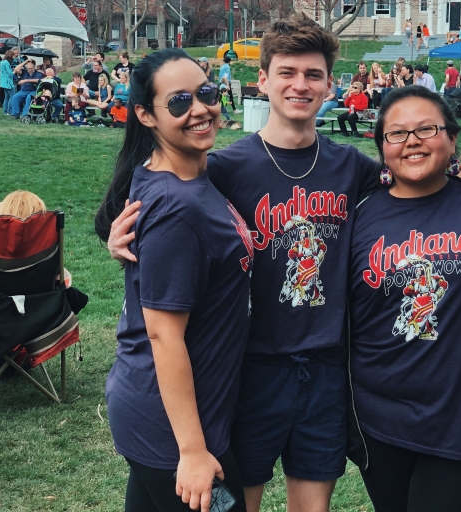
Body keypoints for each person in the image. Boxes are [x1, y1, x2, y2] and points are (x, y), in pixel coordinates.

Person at [101, 17, 380, 512]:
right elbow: (156, 204)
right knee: (237, 500)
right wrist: (115, 235)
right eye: (287, 72)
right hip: (249, 369)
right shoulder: (222, 168)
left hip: (325, 366)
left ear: (331, 84)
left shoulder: (352, 166)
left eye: (314, 74)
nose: (300, 85)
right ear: (264, 80)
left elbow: (416, 183)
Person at [96, 48, 253, 512]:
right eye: (180, 102)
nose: (201, 109)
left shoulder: (181, 178)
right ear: (145, 115)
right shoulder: (177, 207)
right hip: (173, 430)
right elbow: (164, 334)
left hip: (156, 413)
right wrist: (191, 452)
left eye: (206, 93)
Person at [348, 84, 461, 512]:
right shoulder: (359, 212)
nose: (413, 141)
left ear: (453, 138)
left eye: (426, 129)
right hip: (378, 418)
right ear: (381, 145)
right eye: (397, 133)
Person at [0, 50, 15, 116]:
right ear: (10, 56)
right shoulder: (7, 63)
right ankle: (9, 111)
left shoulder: (2, 62)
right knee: (12, 96)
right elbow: (10, 74)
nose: (13, 57)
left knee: (6, 97)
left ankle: (5, 111)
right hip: (8, 82)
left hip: (3, 82)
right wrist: (14, 71)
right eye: (13, 55)